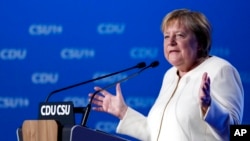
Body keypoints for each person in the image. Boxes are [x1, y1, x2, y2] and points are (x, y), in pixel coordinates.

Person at [89, 8, 244, 141]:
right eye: (166, 36)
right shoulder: (170, 75)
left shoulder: (220, 70)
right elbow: (158, 134)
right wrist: (123, 112)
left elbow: (234, 133)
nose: (171, 42)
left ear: (200, 43)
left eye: (180, 35)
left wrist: (209, 107)